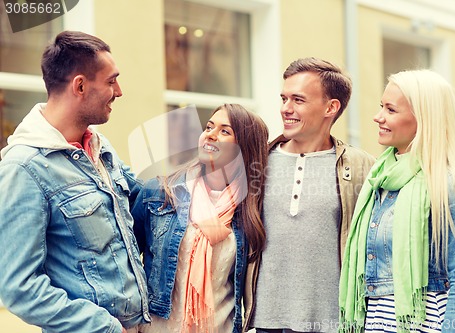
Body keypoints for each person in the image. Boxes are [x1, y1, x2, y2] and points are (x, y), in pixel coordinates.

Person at [0, 31, 150, 333]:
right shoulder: (24, 169)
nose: (119, 91)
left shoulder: (98, 146)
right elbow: (18, 287)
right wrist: (103, 327)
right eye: (111, 81)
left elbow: (144, 199)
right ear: (79, 85)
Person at [338, 69, 455, 333]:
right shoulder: (379, 178)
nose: (378, 117)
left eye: (391, 110)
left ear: (424, 118)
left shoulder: (449, 185)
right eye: (380, 107)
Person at [245, 57, 375, 333]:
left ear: (331, 107)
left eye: (298, 100)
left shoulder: (362, 167)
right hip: (266, 320)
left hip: (331, 322)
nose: (285, 109)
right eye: (283, 98)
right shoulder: (259, 160)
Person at [132, 103, 269, 333]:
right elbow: (127, 259)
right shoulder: (161, 193)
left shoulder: (251, 211)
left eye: (225, 131)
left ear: (244, 146)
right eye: (209, 127)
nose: (210, 135)